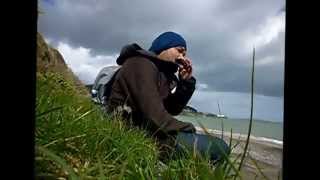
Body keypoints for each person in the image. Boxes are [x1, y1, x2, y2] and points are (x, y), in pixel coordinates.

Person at [106, 31, 230, 163]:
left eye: (184, 54)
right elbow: (155, 115)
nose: (182, 56)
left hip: (147, 131)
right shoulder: (140, 64)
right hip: (131, 135)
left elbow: (172, 109)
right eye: (179, 50)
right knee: (219, 147)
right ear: (163, 46)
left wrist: (185, 83)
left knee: (210, 145)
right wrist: (188, 128)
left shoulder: (163, 74)